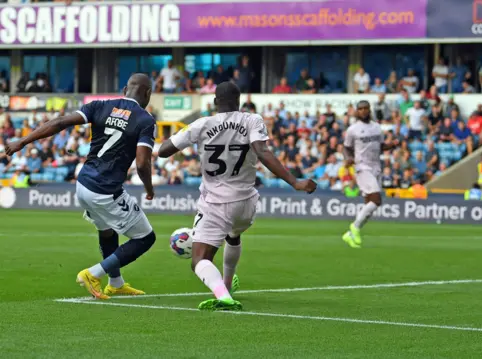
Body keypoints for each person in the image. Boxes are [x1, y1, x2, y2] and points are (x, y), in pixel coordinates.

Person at [158, 82, 317, 311]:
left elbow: (164, 150)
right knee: (233, 235)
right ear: (239, 101)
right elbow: (262, 151)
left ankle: (223, 295)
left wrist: (189, 135)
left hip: (216, 202)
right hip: (246, 203)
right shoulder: (252, 120)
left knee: (200, 260)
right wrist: (295, 182)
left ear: (214, 102)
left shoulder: (202, 124)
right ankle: (228, 281)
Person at [6, 74, 157, 300]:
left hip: (83, 184)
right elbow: (143, 162)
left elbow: (58, 123)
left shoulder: (100, 105)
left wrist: (22, 141)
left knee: (107, 230)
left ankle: (115, 284)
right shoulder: (145, 120)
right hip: (106, 190)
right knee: (146, 238)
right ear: (147, 94)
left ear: (125, 88)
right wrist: (149, 188)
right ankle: (93, 273)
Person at [342, 100, 399, 248]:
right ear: (357, 111)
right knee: (377, 199)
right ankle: (354, 227)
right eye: (360, 109)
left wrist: (391, 145)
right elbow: (346, 148)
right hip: (362, 167)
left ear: (369, 110)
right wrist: (348, 158)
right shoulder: (353, 129)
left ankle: (350, 234)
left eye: (366, 108)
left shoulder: (376, 127)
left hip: (376, 167)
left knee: (370, 204)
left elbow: (380, 146)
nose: (363, 111)